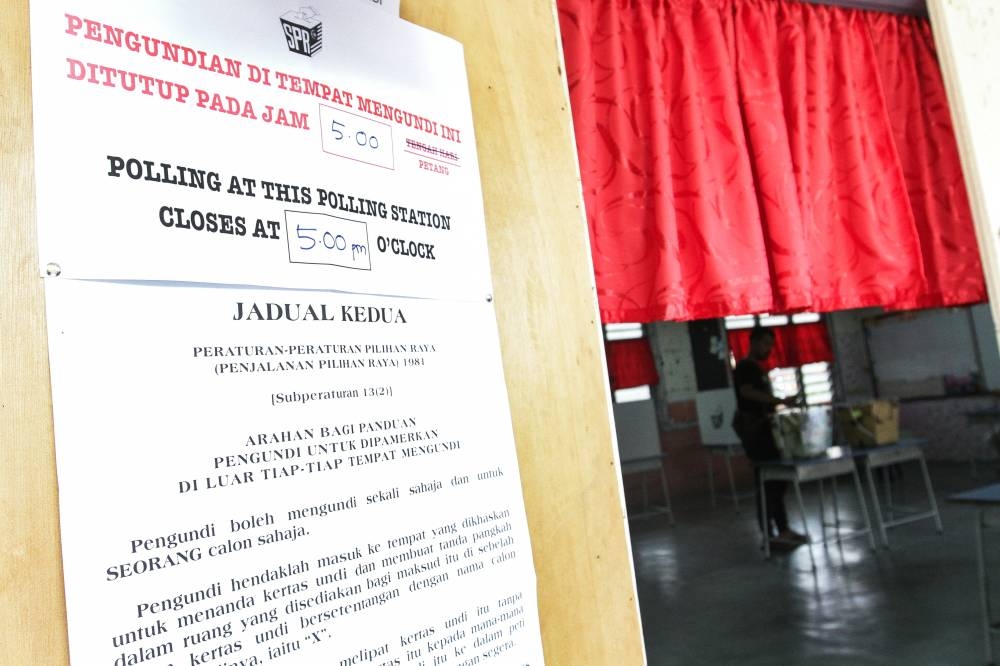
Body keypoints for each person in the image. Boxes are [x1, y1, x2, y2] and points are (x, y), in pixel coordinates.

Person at [732, 326, 808, 549]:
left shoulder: (757, 369)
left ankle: (782, 529)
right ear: (753, 343)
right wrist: (779, 401)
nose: (769, 349)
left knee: (776, 483)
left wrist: (778, 402)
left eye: (771, 345)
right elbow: (747, 392)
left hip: (766, 432)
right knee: (767, 483)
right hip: (757, 435)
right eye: (765, 343)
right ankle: (769, 534)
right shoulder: (746, 367)